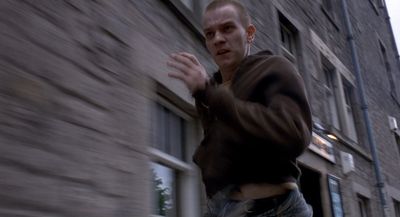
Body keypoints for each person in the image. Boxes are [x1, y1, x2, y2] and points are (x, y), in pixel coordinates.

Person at [167, 0, 313, 216]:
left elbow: (294, 134)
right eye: (209, 34)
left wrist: (209, 94)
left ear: (249, 33)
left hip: (276, 209)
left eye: (227, 28)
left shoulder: (275, 68)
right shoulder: (211, 87)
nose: (218, 39)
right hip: (223, 209)